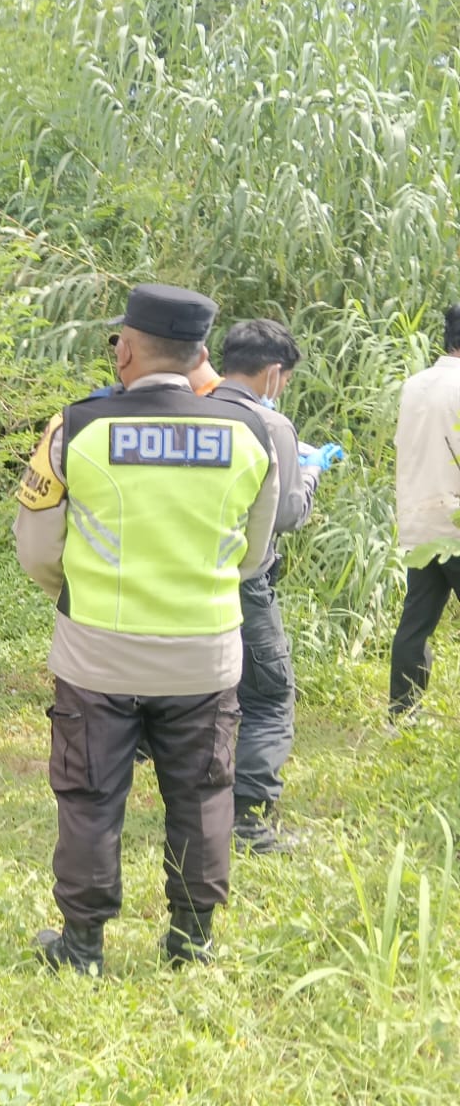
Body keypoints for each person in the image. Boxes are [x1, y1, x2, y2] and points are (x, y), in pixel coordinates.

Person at [15, 284, 279, 974]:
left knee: (90, 797)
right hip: (206, 657)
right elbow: (254, 556)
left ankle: (82, 948)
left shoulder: (76, 427)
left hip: (97, 657)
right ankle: (191, 943)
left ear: (126, 349)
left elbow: (38, 551)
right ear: (200, 356)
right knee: (202, 795)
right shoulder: (250, 433)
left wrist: (83, 596)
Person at [209, 320, 337, 853]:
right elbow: (286, 515)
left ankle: (202, 806)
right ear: (273, 373)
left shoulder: (196, 407)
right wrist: (308, 471)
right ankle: (249, 821)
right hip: (246, 577)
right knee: (269, 696)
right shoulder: (270, 422)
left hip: (191, 576)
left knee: (210, 693)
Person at [390, 303, 460, 720]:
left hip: (421, 521)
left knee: (416, 624)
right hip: (456, 522)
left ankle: (402, 713)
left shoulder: (415, 385)